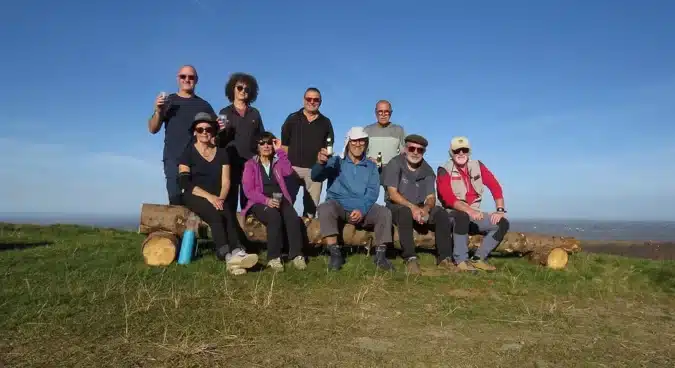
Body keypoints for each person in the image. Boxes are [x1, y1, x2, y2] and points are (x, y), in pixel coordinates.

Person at [178, 112, 259, 275]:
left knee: (227, 211)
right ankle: (227, 255)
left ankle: (237, 253)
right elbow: (184, 182)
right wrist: (210, 197)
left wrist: (221, 197)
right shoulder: (187, 153)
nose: (204, 132)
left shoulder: (222, 153)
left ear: (214, 131)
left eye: (208, 129)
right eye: (200, 129)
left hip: (217, 195)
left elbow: (226, 181)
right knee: (215, 214)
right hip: (195, 195)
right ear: (195, 132)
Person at [312, 127, 394, 271]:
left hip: (363, 207)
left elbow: (373, 191)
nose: (358, 144)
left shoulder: (371, 166)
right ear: (348, 142)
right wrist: (320, 163)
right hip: (339, 206)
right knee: (325, 207)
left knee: (384, 213)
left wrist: (361, 209)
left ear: (366, 144)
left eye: (362, 141)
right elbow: (316, 176)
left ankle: (381, 257)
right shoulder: (336, 161)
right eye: (354, 141)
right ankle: (335, 253)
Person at [382, 134, 455, 275]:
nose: (415, 152)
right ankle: (410, 258)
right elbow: (392, 194)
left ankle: (444, 258)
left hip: (420, 207)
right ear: (405, 148)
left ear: (424, 152)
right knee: (404, 212)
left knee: (440, 213)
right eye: (412, 148)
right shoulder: (394, 164)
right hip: (396, 205)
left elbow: (431, 197)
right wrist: (412, 207)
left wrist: (426, 209)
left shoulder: (427, 170)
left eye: (420, 150)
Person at [436, 136, 510, 271]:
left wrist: (500, 210)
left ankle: (478, 258)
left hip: (474, 214)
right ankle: (461, 261)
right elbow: (448, 198)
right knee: (462, 216)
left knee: (502, 224)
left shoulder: (478, 165)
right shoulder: (444, 170)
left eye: (464, 150)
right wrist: (470, 211)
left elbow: (495, 186)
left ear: (469, 151)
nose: (461, 153)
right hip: (450, 213)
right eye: (457, 151)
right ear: (451, 153)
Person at [148, 65, 216, 205]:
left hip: (198, 162)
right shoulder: (169, 101)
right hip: (173, 160)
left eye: (191, 77)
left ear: (196, 80)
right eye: (183, 76)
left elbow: (214, 134)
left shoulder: (204, 105)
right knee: (176, 202)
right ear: (177, 79)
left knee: (197, 205)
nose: (187, 79)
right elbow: (153, 128)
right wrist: (158, 111)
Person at [241, 132, 307, 272]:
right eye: (262, 143)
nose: (266, 146)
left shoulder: (277, 163)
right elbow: (249, 191)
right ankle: (274, 257)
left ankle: (296, 255)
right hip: (258, 201)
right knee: (274, 217)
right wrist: (266, 200)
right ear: (257, 146)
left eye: (269, 143)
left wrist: (280, 151)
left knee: (293, 218)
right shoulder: (250, 164)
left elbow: (288, 172)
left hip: (279, 198)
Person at [281, 87, 334, 218]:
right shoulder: (292, 119)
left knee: (310, 212)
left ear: (320, 102)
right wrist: (285, 166)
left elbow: (328, 147)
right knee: (286, 205)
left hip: (314, 171)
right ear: (303, 100)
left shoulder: (326, 122)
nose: (312, 102)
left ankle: (306, 237)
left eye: (315, 99)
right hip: (292, 169)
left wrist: (323, 158)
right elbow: (284, 145)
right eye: (308, 99)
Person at [216, 72, 265, 213]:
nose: (243, 91)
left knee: (248, 204)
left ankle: (246, 234)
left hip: (250, 164)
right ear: (232, 89)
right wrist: (220, 131)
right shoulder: (224, 112)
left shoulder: (255, 113)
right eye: (239, 88)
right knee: (229, 202)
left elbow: (261, 137)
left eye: (247, 89)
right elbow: (219, 140)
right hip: (229, 163)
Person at [364, 100, 406, 172]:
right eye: (380, 112)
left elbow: (405, 154)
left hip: (392, 173)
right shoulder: (366, 130)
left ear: (391, 113)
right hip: (370, 172)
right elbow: (361, 153)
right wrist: (369, 159)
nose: (383, 115)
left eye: (386, 112)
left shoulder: (399, 130)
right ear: (375, 112)